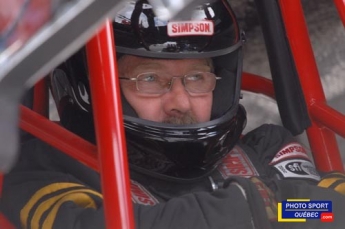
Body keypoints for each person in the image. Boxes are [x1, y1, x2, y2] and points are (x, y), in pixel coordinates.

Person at [1, 0, 345, 228]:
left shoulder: (264, 148)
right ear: (87, 88)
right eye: (150, 79)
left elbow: (332, 209)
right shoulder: (42, 169)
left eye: (197, 77)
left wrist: (274, 207)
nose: (180, 101)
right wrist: (258, 204)